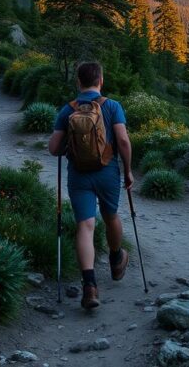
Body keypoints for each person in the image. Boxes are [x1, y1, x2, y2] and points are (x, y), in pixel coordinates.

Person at [48, 61, 134, 310]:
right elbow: (123, 142)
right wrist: (127, 171)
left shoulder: (68, 110)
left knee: (85, 226)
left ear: (78, 82)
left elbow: (54, 149)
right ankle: (116, 258)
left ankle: (90, 286)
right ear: (101, 81)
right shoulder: (112, 106)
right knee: (110, 216)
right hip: (107, 172)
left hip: (79, 175)